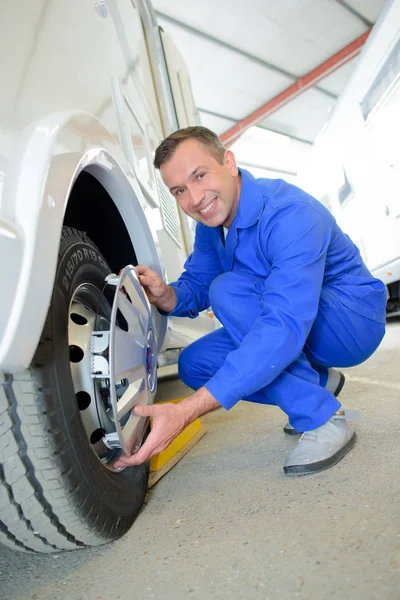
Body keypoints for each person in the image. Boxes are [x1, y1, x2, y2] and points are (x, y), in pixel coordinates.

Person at [114, 126, 386, 475]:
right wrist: (166, 295)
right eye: (180, 190)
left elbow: (283, 325)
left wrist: (186, 410)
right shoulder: (211, 224)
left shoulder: (290, 213)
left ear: (228, 162)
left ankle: (322, 419)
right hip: (298, 323)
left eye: (200, 175)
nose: (195, 198)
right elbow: (197, 283)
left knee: (228, 291)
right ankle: (317, 384)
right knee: (196, 364)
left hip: (351, 322)